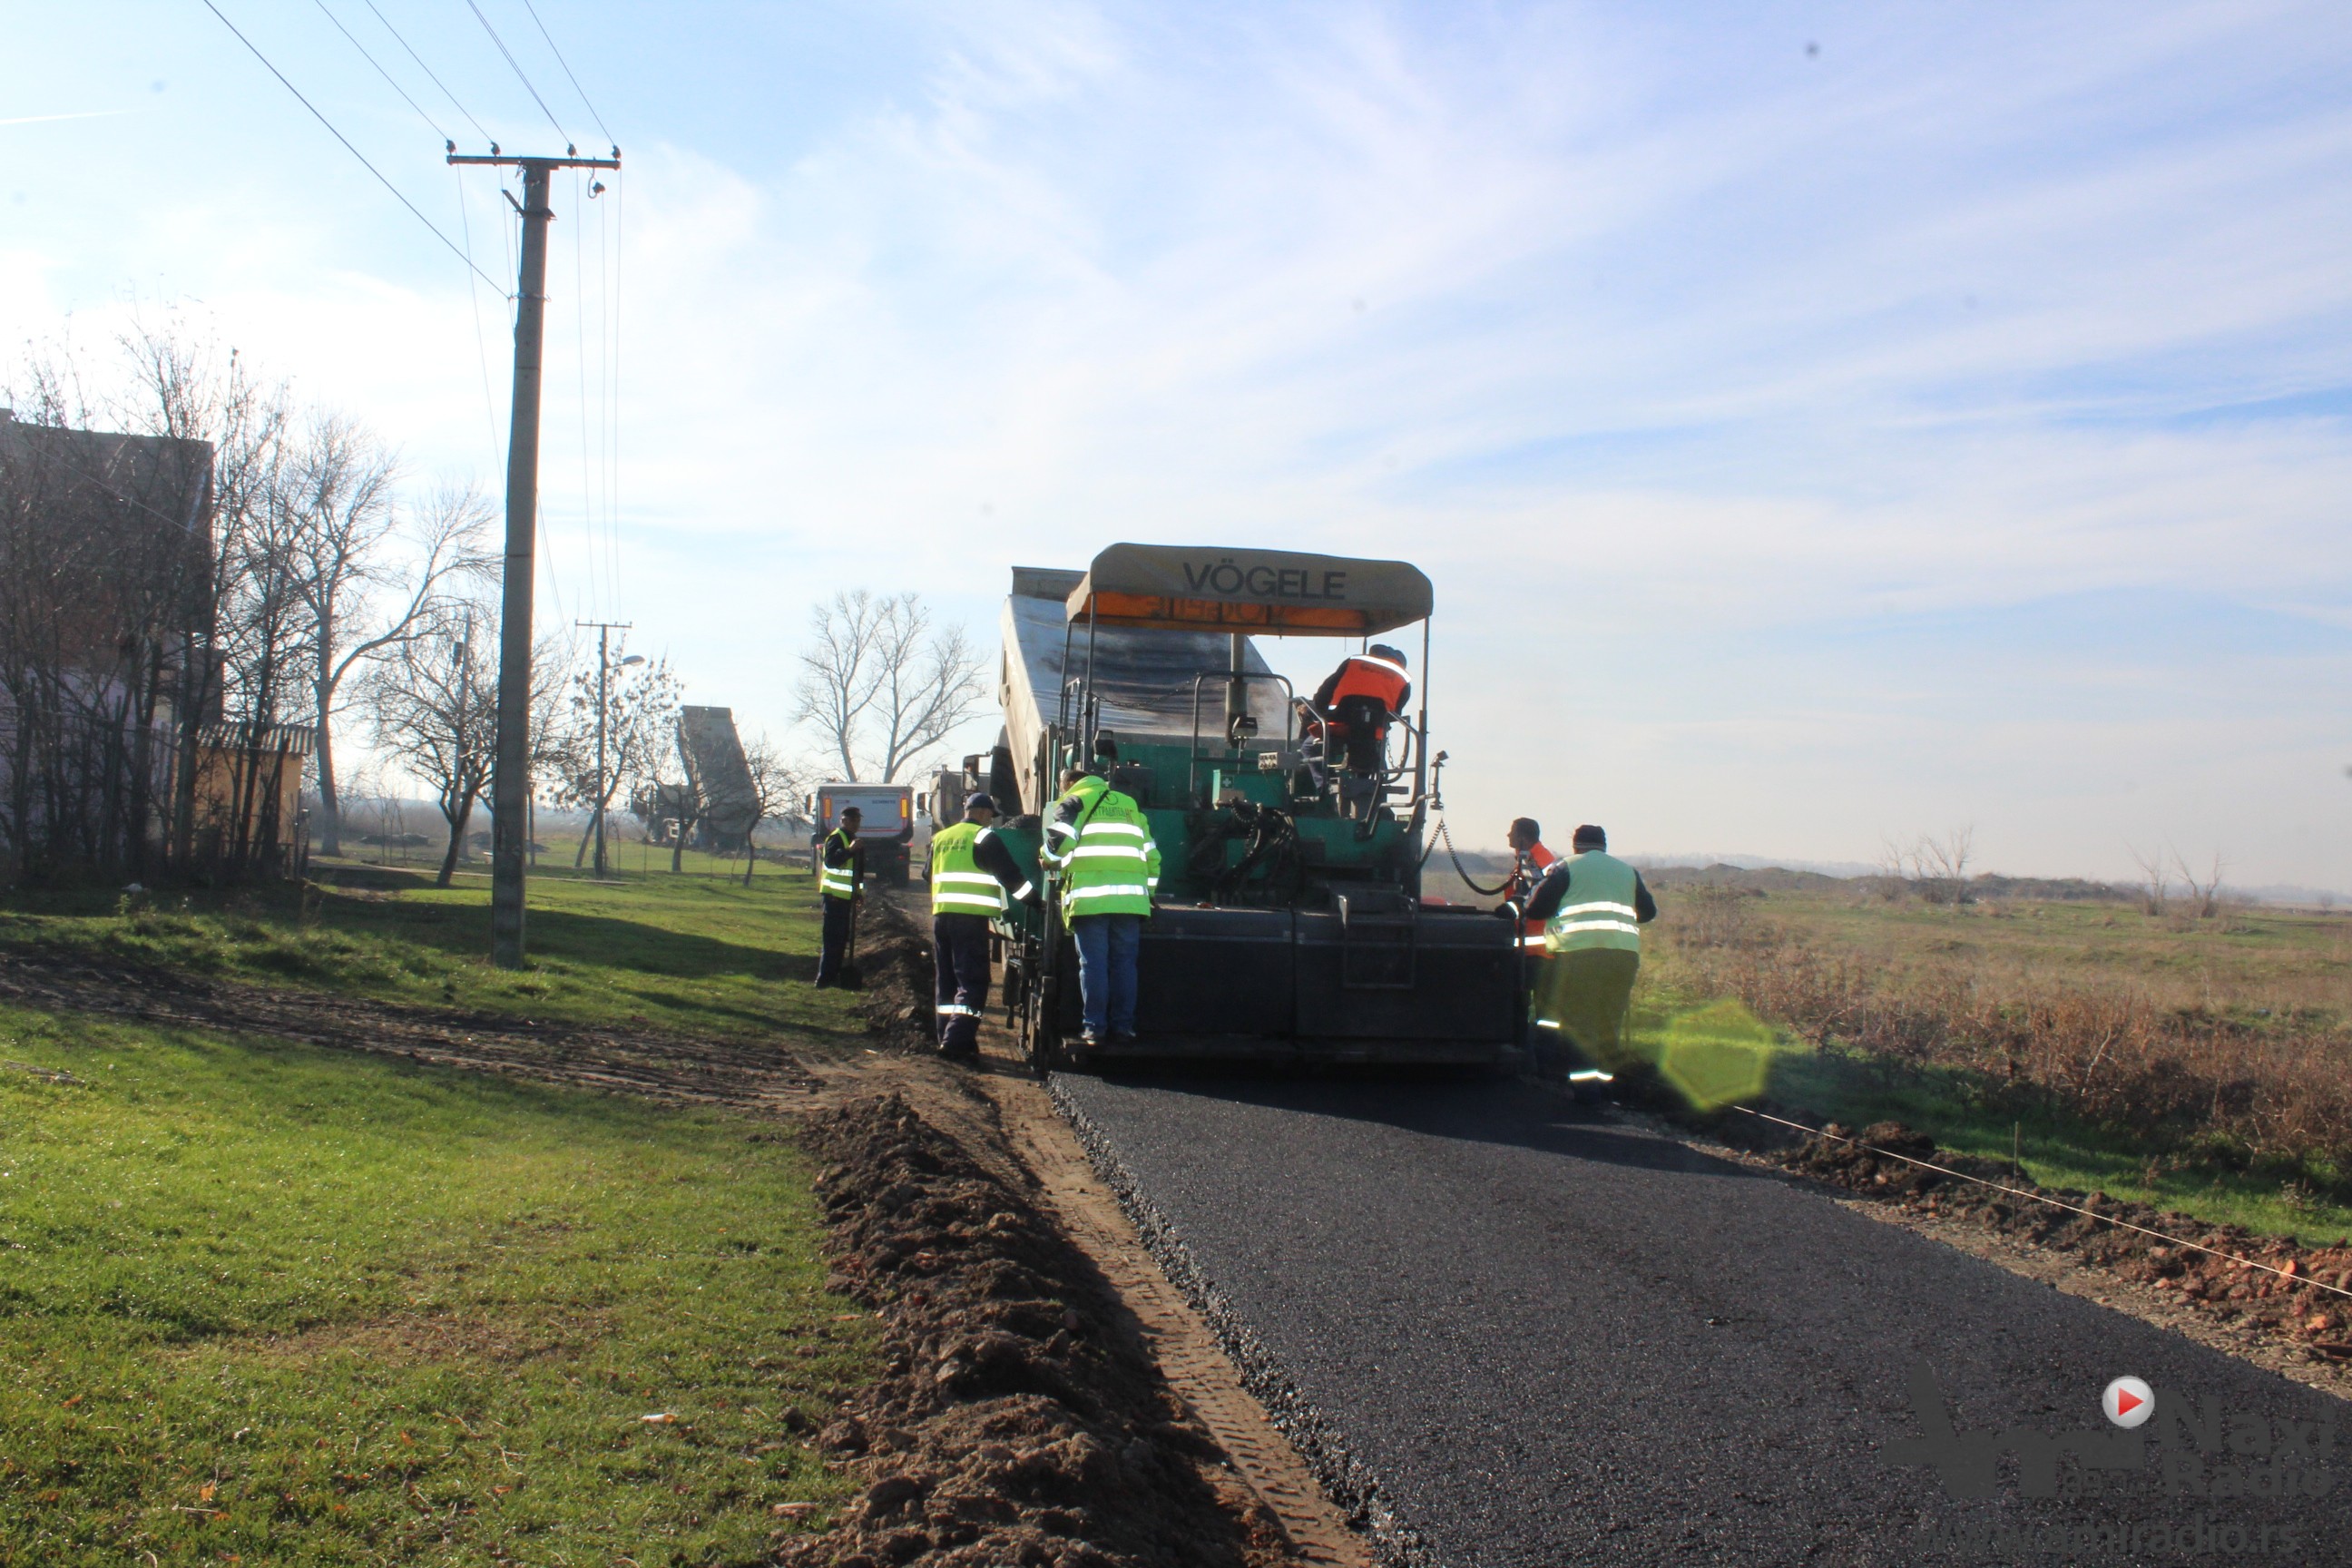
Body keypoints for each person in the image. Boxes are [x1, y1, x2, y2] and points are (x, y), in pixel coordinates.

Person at [1522, 824, 1658, 1076]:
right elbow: (1648, 912)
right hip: (1623, 957)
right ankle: (1607, 1086)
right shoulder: (1627, 871)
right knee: (1609, 1025)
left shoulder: (1565, 867)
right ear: (1604, 846)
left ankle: (1586, 1091)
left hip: (1578, 956)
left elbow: (1536, 909)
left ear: (1576, 846)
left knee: (1580, 1026)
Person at [1042, 762, 1161, 1047]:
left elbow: (1058, 846)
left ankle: (1094, 1028)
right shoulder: (1129, 804)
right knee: (1125, 966)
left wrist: (1044, 857)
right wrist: (1148, 894)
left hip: (1090, 900)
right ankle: (1124, 1028)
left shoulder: (1073, 802)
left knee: (1094, 965)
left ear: (1069, 784)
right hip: (1131, 902)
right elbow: (1152, 856)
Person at [926, 792, 1039, 1060]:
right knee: (973, 981)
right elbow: (1010, 877)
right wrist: (1035, 901)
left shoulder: (940, 837)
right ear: (983, 812)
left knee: (947, 980)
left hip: (942, 917)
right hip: (970, 920)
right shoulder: (984, 838)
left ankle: (948, 1035)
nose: (991, 821)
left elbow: (926, 874)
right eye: (991, 816)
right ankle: (956, 1042)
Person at [1298, 643, 1412, 776]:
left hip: (1340, 726)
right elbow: (1395, 714)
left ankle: (1324, 785)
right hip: (1373, 733)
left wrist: (1320, 712)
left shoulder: (1354, 663)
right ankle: (1377, 780)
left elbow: (1323, 695)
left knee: (1308, 748)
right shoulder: (1403, 679)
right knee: (1375, 751)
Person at [814, 806, 864, 987]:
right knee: (832, 939)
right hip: (834, 897)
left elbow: (857, 872)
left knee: (842, 938)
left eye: (858, 820)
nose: (856, 824)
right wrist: (849, 850)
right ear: (843, 821)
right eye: (853, 820)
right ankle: (824, 979)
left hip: (846, 898)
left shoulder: (854, 840)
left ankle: (834, 975)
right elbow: (831, 861)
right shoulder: (836, 838)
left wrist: (858, 893)